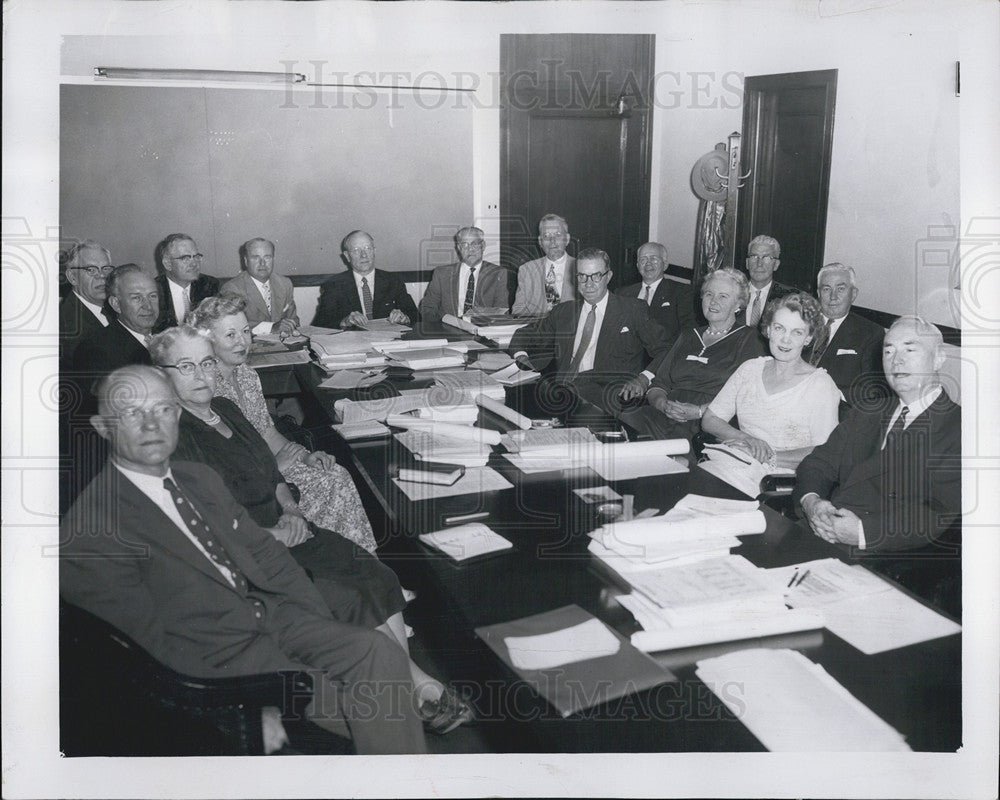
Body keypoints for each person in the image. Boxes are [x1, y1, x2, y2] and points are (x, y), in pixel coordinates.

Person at [59, 365, 427, 754]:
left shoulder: (198, 478)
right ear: (103, 427)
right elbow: (141, 656)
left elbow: (271, 560)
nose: (153, 425)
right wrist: (247, 703)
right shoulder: (90, 530)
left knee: (378, 652)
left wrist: (314, 622)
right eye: (134, 413)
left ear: (178, 415)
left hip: (272, 618)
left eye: (163, 409)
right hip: (219, 663)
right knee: (377, 707)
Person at [150, 326, 472, 733]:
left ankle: (408, 684)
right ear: (162, 375)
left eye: (207, 362)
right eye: (185, 366)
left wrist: (291, 510)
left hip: (290, 528)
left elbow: (273, 473)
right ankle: (415, 687)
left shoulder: (227, 409)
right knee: (343, 592)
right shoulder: (174, 435)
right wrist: (273, 536)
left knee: (372, 572)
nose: (200, 374)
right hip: (248, 555)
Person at [190, 294, 377, 553]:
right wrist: (274, 467)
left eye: (245, 331)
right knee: (328, 484)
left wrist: (305, 456)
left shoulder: (247, 375)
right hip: (247, 484)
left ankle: (366, 566)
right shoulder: (203, 390)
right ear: (208, 341)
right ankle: (334, 561)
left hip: (271, 466)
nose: (243, 341)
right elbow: (223, 465)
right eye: (230, 335)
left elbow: (266, 430)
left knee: (336, 473)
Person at [795, 316, 961, 553]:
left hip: (884, 552)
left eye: (910, 349)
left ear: (939, 358)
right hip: (819, 529)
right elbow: (818, 463)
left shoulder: (960, 427)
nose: (897, 361)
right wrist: (812, 502)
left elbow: (937, 511)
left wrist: (862, 532)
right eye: (888, 351)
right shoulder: (868, 411)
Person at [509, 248, 669, 417]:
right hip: (560, 393)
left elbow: (667, 349)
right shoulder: (564, 311)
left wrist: (644, 378)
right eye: (582, 276)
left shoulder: (632, 310)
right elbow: (524, 335)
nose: (589, 283)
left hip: (607, 397)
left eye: (596, 276)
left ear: (608, 276)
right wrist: (521, 357)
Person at [619, 268, 765, 441]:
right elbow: (658, 384)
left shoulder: (750, 339)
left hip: (708, 424)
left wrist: (699, 411)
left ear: (739, 304)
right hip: (664, 416)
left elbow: (747, 397)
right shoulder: (688, 335)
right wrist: (662, 404)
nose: (713, 302)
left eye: (723, 296)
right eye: (709, 294)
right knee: (622, 424)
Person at [701, 292, 841, 469]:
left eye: (797, 332)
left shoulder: (820, 385)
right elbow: (710, 418)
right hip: (738, 459)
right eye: (779, 328)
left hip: (780, 477)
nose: (785, 339)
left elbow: (826, 450)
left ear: (808, 338)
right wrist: (747, 440)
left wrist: (766, 457)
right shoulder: (750, 369)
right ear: (768, 330)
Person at [804, 262, 887, 407]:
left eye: (840, 289)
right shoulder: (800, 321)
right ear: (818, 293)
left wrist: (832, 395)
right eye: (826, 289)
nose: (833, 296)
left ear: (853, 294)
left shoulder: (871, 333)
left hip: (835, 410)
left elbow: (874, 388)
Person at [311, 230, 418, 328]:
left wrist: (405, 318)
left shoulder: (393, 281)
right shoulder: (334, 285)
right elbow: (320, 324)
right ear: (347, 256)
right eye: (356, 250)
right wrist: (344, 321)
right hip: (352, 345)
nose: (364, 255)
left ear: (374, 251)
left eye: (368, 248)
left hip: (387, 344)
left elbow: (416, 317)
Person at [72, 264, 158, 380]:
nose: (148, 306)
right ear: (116, 304)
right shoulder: (96, 352)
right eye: (136, 298)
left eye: (152, 296)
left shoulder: (169, 336)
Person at [418, 226, 510, 321]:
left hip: (482, 329)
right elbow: (427, 307)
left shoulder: (497, 274)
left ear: (483, 246)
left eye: (475, 244)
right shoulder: (441, 274)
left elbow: (502, 309)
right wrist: (440, 325)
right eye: (465, 245)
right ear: (459, 248)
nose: (470, 249)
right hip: (448, 329)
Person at [615, 241, 695, 347]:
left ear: (665, 265)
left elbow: (688, 330)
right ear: (638, 265)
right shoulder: (622, 293)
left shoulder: (681, 292)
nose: (648, 263)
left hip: (662, 354)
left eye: (653, 258)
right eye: (643, 259)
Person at [221, 238, 299, 336]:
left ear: (273, 259)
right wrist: (272, 327)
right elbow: (233, 327)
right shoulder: (232, 289)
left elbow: (293, 319)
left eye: (267, 257)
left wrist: (291, 326)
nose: (262, 263)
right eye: (255, 257)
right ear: (246, 261)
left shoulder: (285, 283)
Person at [59, 240, 114, 370]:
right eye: (91, 269)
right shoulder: (68, 326)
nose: (102, 276)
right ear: (72, 277)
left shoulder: (111, 309)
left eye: (106, 269)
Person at [152, 233, 220, 333]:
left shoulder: (209, 284)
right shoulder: (153, 290)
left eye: (196, 256)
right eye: (185, 258)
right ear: (168, 264)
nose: (194, 263)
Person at [511, 214, 576, 316]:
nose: (552, 241)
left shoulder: (581, 268)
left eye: (558, 234)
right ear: (540, 241)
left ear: (567, 239)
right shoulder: (526, 270)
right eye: (546, 236)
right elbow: (518, 311)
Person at [742, 235, 797, 328]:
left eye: (767, 257)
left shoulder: (790, 298)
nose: (759, 263)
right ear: (747, 263)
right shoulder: (734, 293)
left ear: (776, 264)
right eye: (754, 256)